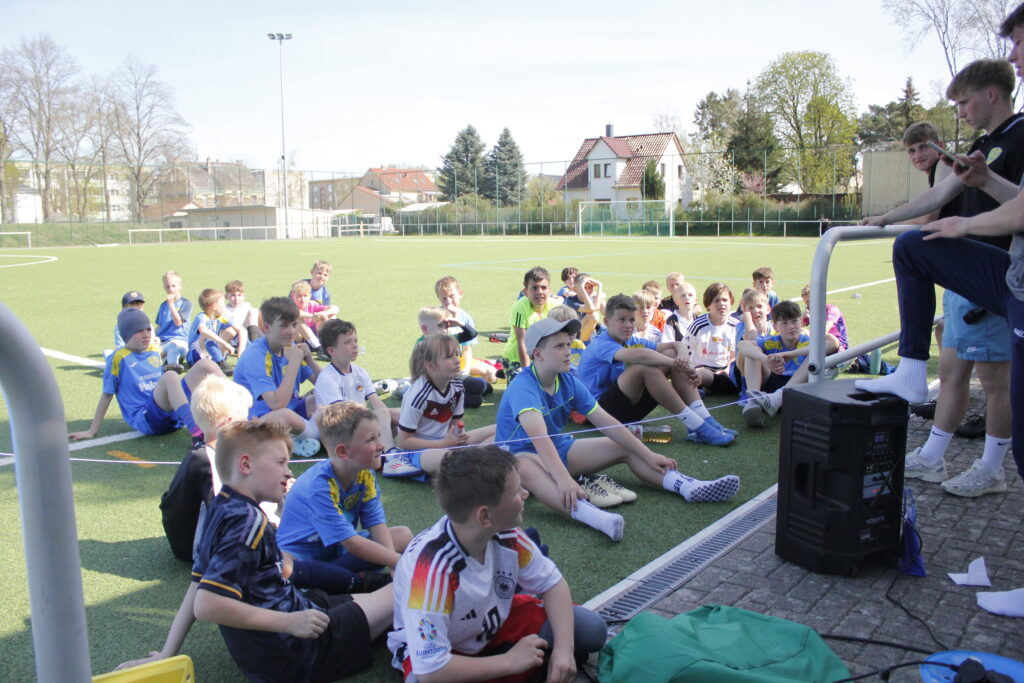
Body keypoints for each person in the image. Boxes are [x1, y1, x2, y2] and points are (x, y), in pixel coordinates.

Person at [858, 57, 1024, 494]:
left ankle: (992, 467)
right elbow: (940, 194)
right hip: (963, 277)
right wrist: (886, 218)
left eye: (964, 102)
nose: (961, 112)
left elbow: (1018, 208)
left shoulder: (1021, 136)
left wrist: (967, 223)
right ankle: (932, 452)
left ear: (991, 95)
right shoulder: (981, 145)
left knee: (995, 382)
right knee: (951, 372)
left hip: (999, 274)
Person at [497, 317, 741, 541]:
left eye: (568, 344)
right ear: (537, 354)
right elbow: (539, 438)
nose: (568, 351)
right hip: (515, 458)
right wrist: (563, 479)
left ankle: (687, 486)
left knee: (624, 445)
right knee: (526, 467)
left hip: (556, 449)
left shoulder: (567, 381)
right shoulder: (524, 387)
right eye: (559, 346)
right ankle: (597, 519)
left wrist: (648, 454)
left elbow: (608, 423)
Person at [189, 420, 393, 682]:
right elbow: (206, 604)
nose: (288, 473)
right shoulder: (248, 523)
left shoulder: (221, 506)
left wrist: (167, 652)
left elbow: (197, 583)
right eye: (280, 463)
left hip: (273, 643)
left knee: (380, 588)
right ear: (246, 465)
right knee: (405, 588)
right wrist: (288, 623)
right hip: (298, 652)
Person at [387, 445, 609, 683]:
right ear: (485, 516)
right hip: (447, 653)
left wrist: (564, 651)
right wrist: (510, 661)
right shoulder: (430, 573)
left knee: (590, 629)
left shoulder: (506, 533)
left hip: (491, 626)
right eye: (516, 491)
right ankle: (520, 667)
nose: (525, 494)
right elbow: (431, 671)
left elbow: (553, 584)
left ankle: (525, 663)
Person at [277, 402, 413, 590]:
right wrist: (400, 562)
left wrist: (393, 565)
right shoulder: (318, 486)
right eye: (370, 440)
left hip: (335, 553)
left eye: (379, 436)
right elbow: (352, 544)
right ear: (342, 451)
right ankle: (346, 583)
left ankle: (349, 581)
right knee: (289, 573)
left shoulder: (364, 473)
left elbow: (375, 522)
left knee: (402, 535)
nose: (381, 445)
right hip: (304, 563)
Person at [577, 294, 736, 446]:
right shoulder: (601, 344)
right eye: (622, 320)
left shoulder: (628, 339)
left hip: (624, 410)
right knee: (644, 368)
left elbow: (674, 345)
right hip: (599, 414)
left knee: (670, 353)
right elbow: (642, 356)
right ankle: (697, 426)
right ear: (607, 321)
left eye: (631, 320)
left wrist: (681, 356)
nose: (628, 325)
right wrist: (681, 365)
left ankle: (704, 418)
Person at [69, 308, 220, 444]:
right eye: (139, 331)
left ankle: (235, 417)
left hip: (171, 414)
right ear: (127, 334)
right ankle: (197, 433)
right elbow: (107, 395)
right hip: (146, 419)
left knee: (205, 365)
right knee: (170, 376)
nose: (146, 335)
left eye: (148, 330)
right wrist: (92, 430)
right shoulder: (118, 358)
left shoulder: (153, 350)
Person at [159, 376, 257, 562]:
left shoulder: (217, 452)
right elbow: (225, 509)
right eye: (244, 420)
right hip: (193, 546)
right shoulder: (205, 459)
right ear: (229, 423)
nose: (248, 424)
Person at [384, 334, 496, 479]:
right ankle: (475, 459)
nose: (457, 360)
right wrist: (444, 443)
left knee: (501, 429)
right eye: (449, 357)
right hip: (420, 452)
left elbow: (455, 425)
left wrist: (458, 436)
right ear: (430, 366)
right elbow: (404, 442)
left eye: (456, 354)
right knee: (455, 462)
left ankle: (476, 458)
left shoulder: (457, 386)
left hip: (448, 444)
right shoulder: (418, 395)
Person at [232, 297, 322, 457]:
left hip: (291, 412)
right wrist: (294, 363)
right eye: (284, 326)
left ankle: (294, 438)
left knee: (323, 397)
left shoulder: (290, 346)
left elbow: (324, 384)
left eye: (294, 324)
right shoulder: (255, 356)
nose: (291, 331)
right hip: (257, 422)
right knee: (285, 415)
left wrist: (310, 359)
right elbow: (277, 404)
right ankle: (320, 436)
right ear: (267, 327)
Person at [739, 300, 838, 427]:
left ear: (801, 322)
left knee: (815, 354)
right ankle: (753, 402)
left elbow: (832, 344)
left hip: (798, 388)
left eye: (794, 321)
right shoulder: (772, 342)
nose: (791, 327)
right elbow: (742, 345)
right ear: (775, 327)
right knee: (751, 354)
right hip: (772, 387)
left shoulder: (808, 342)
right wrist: (765, 359)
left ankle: (778, 397)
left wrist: (790, 354)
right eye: (784, 323)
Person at [314, 318, 398, 450]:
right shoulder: (327, 378)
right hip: (339, 431)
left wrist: (384, 415)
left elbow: (377, 402)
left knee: (395, 414)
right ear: (331, 350)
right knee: (382, 417)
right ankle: (390, 455)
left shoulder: (360, 372)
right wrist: (376, 418)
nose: (355, 346)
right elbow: (341, 416)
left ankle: (423, 440)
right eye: (347, 342)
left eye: (355, 340)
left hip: (358, 423)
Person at [417, 306, 490, 408]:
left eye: (447, 326)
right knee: (475, 400)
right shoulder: (423, 345)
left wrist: (460, 324)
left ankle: (478, 388)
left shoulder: (448, 338)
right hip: (436, 385)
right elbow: (421, 370)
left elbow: (471, 334)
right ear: (425, 329)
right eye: (441, 325)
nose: (446, 329)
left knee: (480, 386)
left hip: (454, 378)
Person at [435, 275, 499, 384]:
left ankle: (470, 385)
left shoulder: (466, 318)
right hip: (440, 362)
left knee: (492, 374)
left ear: (460, 294)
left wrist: (466, 369)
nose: (448, 301)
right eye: (443, 298)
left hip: (460, 361)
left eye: (451, 296)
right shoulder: (436, 316)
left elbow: (467, 349)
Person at [687, 282, 741, 395]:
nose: (722, 304)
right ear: (708, 305)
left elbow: (734, 355)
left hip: (724, 371)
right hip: (702, 369)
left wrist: (727, 369)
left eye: (725, 300)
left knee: (736, 379)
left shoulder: (736, 326)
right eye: (716, 300)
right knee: (700, 373)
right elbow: (685, 350)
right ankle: (697, 388)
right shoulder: (698, 325)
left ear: (731, 302)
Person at [503, 266, 556, 371]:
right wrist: (526, 372)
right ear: (525, 291)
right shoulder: (520, 307)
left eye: (544, 287)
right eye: (534, 288)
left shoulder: (554, 306)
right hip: (517, 360)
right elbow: (522, 343)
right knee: (526, 381)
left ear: (550, 290)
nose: (539, 292)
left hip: (542, 359)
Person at [186, 287, 237, 376]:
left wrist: (242, 351)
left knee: (231, 331)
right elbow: (203, 330)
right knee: (207, 337)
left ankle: (217, 362)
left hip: (208, 353)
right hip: (195, 355)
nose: (224, 306)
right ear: (214, 306)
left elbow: (239, 329)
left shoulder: (220, 318)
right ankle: (221, 363)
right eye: (222, 303)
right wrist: (225, 344)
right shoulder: (202, 317)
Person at [154, 270, 192, 372]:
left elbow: (178, 323)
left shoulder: (185, 303)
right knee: (148, 351)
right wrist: (154, 337)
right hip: (163, 342)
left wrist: (171, 305)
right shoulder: (163, 305)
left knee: (173, 347)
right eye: (167, 287)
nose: (171, 289)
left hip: (179, 341)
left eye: (173, 286)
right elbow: (159, 326)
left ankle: (172, 365)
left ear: (180, 286)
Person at [290, 279, 338, 351]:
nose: (302, 299)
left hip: (313, 337)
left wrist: (324, 314)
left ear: (309, 296)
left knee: (331, 315)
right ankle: (318, 348)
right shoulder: (290, 305)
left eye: (305, 296)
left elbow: (335, 308)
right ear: (292, 296)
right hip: (298, 341)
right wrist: (313, 316)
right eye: (299, 296)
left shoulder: (311, 305)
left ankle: (329, 344)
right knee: (298, 320)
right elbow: (296, 313)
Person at [800, 284, 849, 352]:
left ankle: (811, 352)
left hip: (837, 344)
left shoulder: (831, 309)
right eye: (806, 303)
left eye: (809, 302)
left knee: (829, 337)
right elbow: (796, 327)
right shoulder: (811, 311)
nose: (807, 306)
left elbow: (825, 331)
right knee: (801, 331)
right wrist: (801, 317)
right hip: (820, 341)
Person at [224, 279, 260, 354]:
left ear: (244, 296)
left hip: (249, 335)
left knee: (254, 311)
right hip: (237, 338)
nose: (236, 299)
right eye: (233, 295)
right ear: (226, 296)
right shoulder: (225, 310)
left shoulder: (247, 305)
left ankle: (256, 343)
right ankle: (254, 347)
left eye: (239, 295)